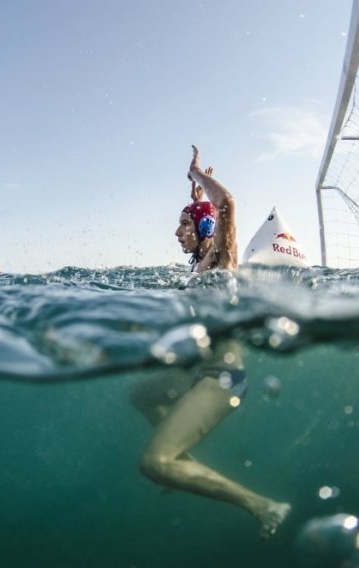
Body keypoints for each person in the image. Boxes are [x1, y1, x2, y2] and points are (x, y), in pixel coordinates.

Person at [131, 146, 290, 539]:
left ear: (204, 231)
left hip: (222, 379)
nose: (175, 232)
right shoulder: (203, 266)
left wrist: (197, 172)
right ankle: (180, 459)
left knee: (153, 463)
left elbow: (228, 204)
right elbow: (209, 218)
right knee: (142, 394)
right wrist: (196, 203)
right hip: (199, 371)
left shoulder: (222, 260)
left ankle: (263, 505)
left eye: (184, 224)